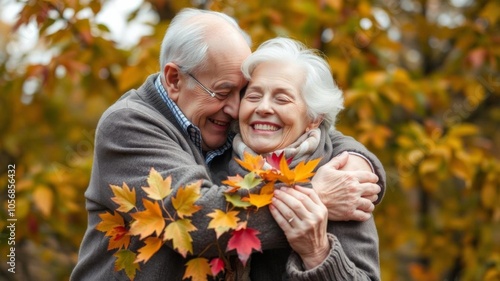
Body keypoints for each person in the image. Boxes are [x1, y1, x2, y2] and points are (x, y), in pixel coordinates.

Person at [71, 8, 385, 280]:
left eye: (240, 92)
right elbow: (197, 220)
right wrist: (316, 198)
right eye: (225, 92)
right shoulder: (130, 125)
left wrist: (360, 161)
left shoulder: (335, 176)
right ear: (174, 80)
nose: (238, 109)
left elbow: (310, 130)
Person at [216, 37, 381, 280]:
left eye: (282, 99)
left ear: (314, 118)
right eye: (253, 96)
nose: (263, 107)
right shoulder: (213, 161)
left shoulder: (340, 184)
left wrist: (318, 253)